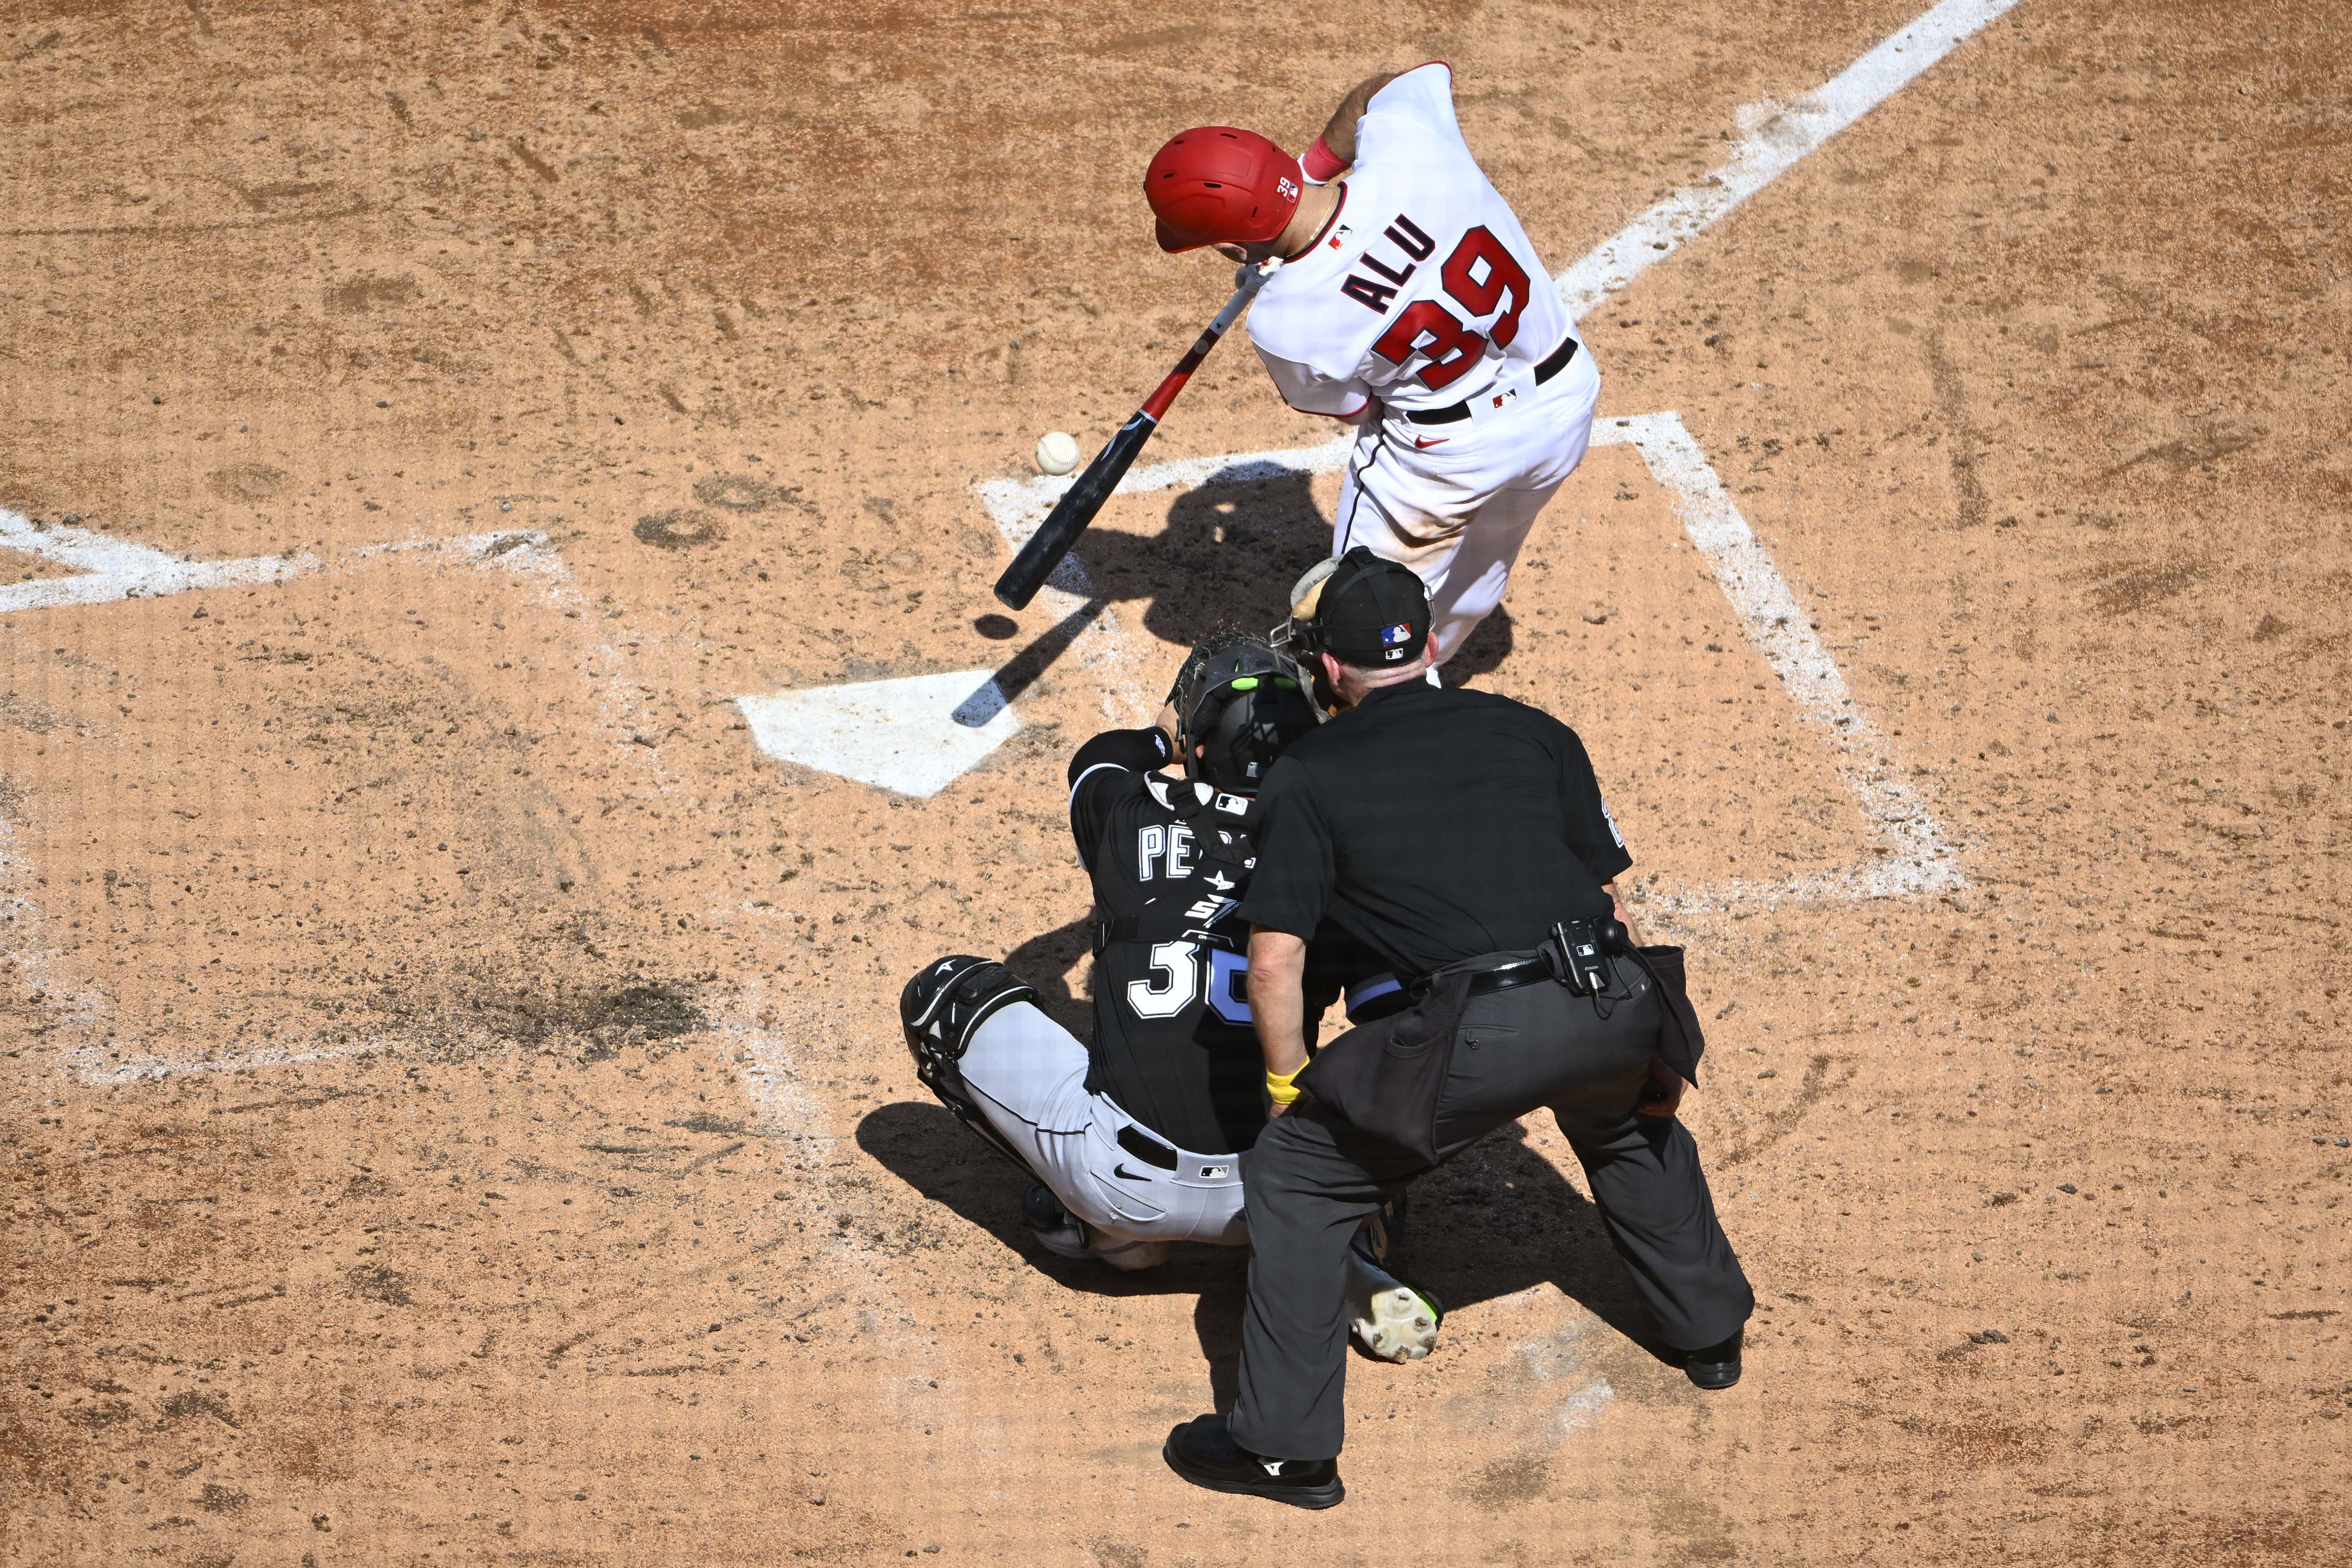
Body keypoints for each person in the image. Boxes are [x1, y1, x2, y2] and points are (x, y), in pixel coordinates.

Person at [1161, 552, 1753, 1509]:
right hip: (1616, 991)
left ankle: (1283, 1450)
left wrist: (1286, 1092)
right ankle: (1710, 1333)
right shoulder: (1533, 729)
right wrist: (1645, 1041)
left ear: (1326, 670)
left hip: (1481, 1028)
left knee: (1298, 1176)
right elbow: (1611, 899)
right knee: (1624, 1119)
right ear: (1431, 644)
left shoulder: (1309, 771)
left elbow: (1275, 962)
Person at [898, 635, 1443, 1361]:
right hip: (1276, 1195)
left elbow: (1099, 757)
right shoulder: (1342, 859)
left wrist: (1165, 734)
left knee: (943, 995)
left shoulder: (1124, 818)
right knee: (1377, 1074)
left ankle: (1098, 1229)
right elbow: (1392, 1019)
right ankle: (1341, 1247)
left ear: (1193, 740)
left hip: (1120, 1182)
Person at [1142, 63, 1601, 669]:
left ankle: (1384, 721)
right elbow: (1383, 86)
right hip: (1564, 401)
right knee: (1481, 566)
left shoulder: (1282, 322)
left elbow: (1359, 407)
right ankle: (1434, 663)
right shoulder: (1412, 146)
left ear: (1228, 245)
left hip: (1443, 465)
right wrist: (1311, 173)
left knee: (1359, 623)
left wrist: (1291, 279)